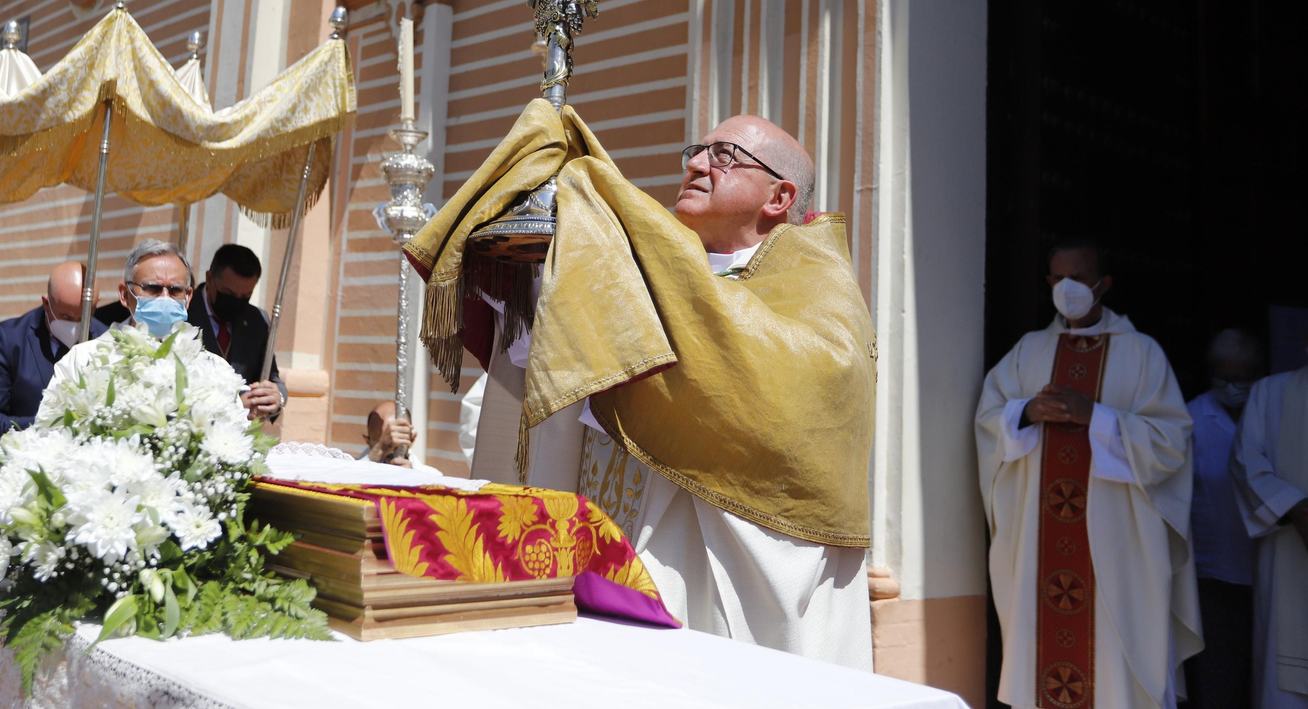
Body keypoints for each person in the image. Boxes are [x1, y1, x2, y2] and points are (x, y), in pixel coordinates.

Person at [443, 113, 878, 664]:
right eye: (698, 150)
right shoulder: (638, 270)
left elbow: (778, 392)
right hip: (601, 545)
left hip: (704, 565)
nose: (697, 164)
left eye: (725, 156)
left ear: (780, 196)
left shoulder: (816, 289)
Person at [976, 241, 1201, 709]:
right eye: (1057, 279)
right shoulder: (1028, 351)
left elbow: (1171, 442)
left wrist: (1094, 416)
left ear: (1103, 284)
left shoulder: (1142, 354)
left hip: (1117, 549)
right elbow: (988, 420)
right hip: (1041, 543)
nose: (1067, 289)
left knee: (1114, 668)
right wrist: (1026, 411)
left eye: (1078, 278)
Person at [55, 240, 279, 421]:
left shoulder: (214, 369)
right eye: (152, 288)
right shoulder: (83, 360)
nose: (164, 298)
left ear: (188, 297)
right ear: (124, 294)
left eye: (174, 290)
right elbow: (54, 425)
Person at [1187, 329, 1266, 709]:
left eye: (1240, 377)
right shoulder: (1192, 417)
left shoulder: (1270, 411)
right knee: (1219, 678)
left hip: (1267, 570)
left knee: (1265, 678)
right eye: (1223, 375)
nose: (1231, 386)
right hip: (1212, 574)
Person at [1230, 363, 1308, 709]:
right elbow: (1245, 460)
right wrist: (1295, 507)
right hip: (1287, 551)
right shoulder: (1270, 392)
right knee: (1285, 680)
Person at [0, 262, 105, 438]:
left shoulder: (106, 340)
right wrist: (50, 425)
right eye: (66, 317)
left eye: (84, 317)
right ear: (46, 303)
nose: (74, 325)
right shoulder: (10, 339)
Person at [186, 244, 285, 416]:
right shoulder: (182, 312)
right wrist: (235, 406)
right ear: (210, 278)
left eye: (245, 296)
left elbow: (272, 377)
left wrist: (277, 397)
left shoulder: (257, 320)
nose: (236, 302)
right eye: (229, 294)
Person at [361, 400, 418, 465]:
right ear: (368, 441)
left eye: (395, 444)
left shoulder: (428, 474)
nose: (388, 452)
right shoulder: (352, 469)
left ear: (412, 439)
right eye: (379, 443)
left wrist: (410, 474)